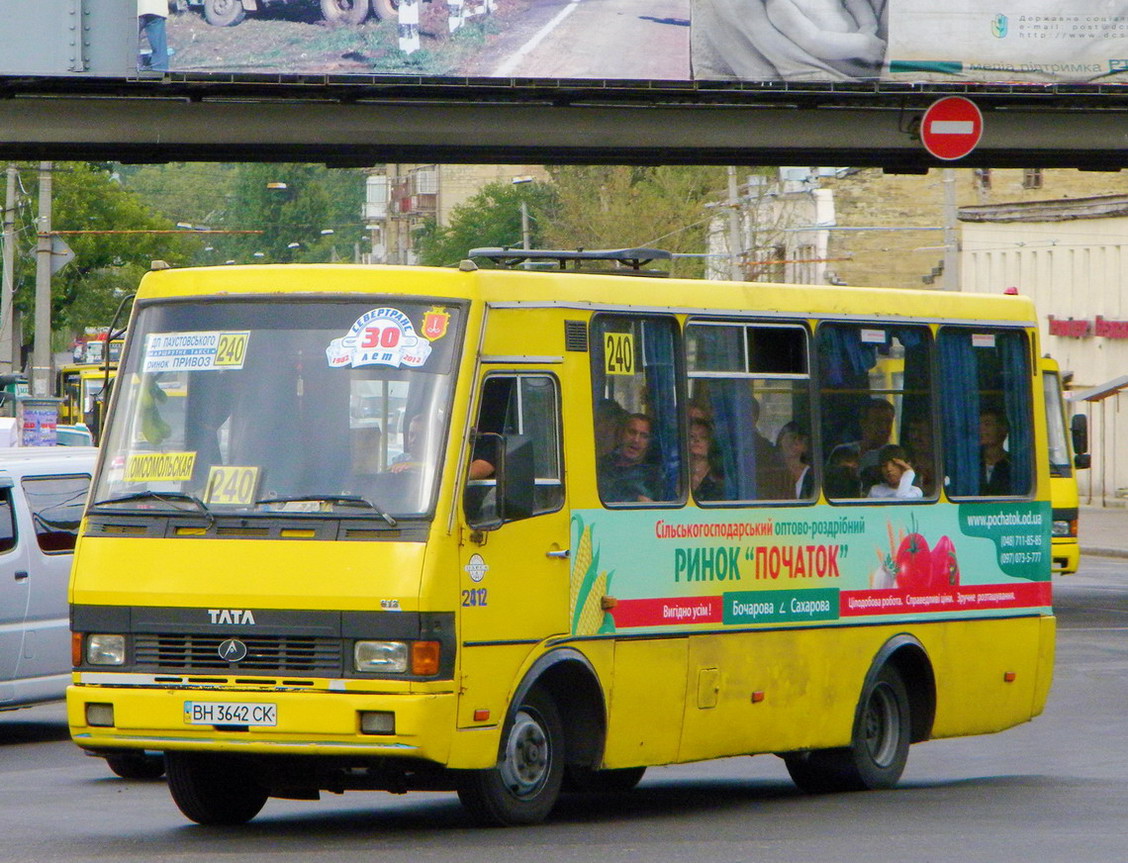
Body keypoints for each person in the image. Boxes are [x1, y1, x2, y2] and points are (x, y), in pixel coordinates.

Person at [598, 413, 661, 503]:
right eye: (632, 432)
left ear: (649, 442)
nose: (636, 440)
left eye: (644, 436)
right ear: (621, 434)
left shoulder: (654, 477)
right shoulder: (602, 466)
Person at [854, 398, 895, 488]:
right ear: (863, 423)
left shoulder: (894, 456)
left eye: (888, 422)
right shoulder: (842, 450)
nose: (884, 428)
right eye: (878, 421)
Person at [689, 418, 725, 501]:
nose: (696, 440)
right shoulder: (675, 474)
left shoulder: (718, 476)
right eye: (692, 436)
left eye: (703, 437)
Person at [776, 420, 813, 498]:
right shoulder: (772, 472)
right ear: (780, 441)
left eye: (799, 440)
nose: (794, 443)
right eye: (790, 438)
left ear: (805, 447)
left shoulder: (812, 476)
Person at [979, 406, 1012, 495]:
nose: (981, 429)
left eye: (987, 424)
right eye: (978, 425)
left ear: (1003, 429)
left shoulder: (1014, 465)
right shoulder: (971, 465)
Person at [138, 0, 170, 72]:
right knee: (159, 47)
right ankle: (161, 75)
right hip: (157, 8)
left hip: (136, 9)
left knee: (128, 44)